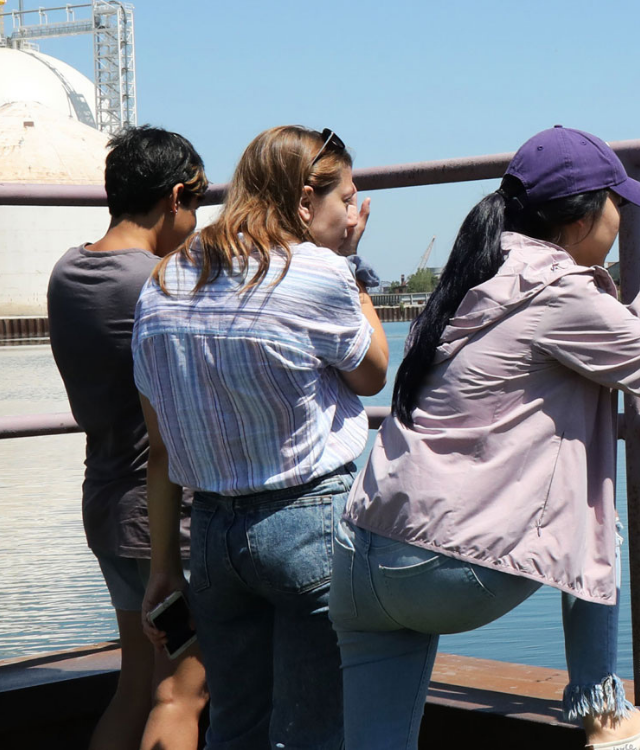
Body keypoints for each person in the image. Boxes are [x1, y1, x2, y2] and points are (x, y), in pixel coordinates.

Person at [329, 126, 640, 750]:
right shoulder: (559, 290)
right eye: (618, 203)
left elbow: (591, 348)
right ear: (582, 214)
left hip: (361, 559)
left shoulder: (479, 274)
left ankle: (608, 715)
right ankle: (606, 717)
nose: (621, 218)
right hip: (446, 573)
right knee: (592, 513)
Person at [133, 125, 389, 749]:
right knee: (313, 733)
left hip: (214, 538)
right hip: (307, 526)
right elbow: (374, 371)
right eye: (345, 200)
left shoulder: (162, 282)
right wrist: (348, 261)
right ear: (305, 201)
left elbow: (161, 446)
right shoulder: (317, 272)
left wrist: (164, 567)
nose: (352, 213)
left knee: (235, 727)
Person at [47, 125, 209, 750]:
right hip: (166, 527)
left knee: (137, 684)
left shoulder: (70, 270)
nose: (196, 221)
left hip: (109, 506)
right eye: (195, 205)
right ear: (174, 197)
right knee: (180, 694)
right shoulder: (160, 285)